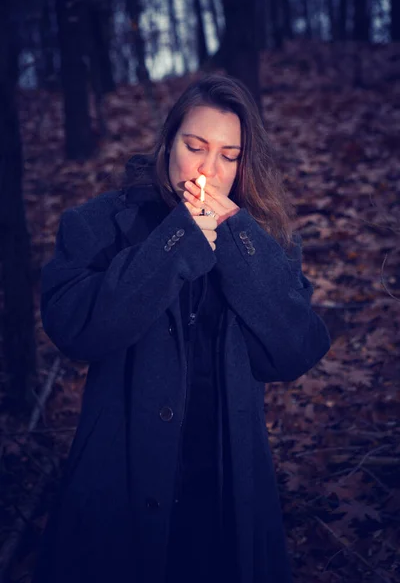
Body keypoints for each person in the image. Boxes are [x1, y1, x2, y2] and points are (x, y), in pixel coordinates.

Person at [32, 73, 331, 583]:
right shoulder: (99, 225)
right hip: (121, 481)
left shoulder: (265, 239)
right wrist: (173, 243)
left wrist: (237, 239)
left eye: (229, 156)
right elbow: (76, 328)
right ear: (168, 143)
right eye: (196, 147)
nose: (209, 170)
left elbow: (295, 348)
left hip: (227, 487)